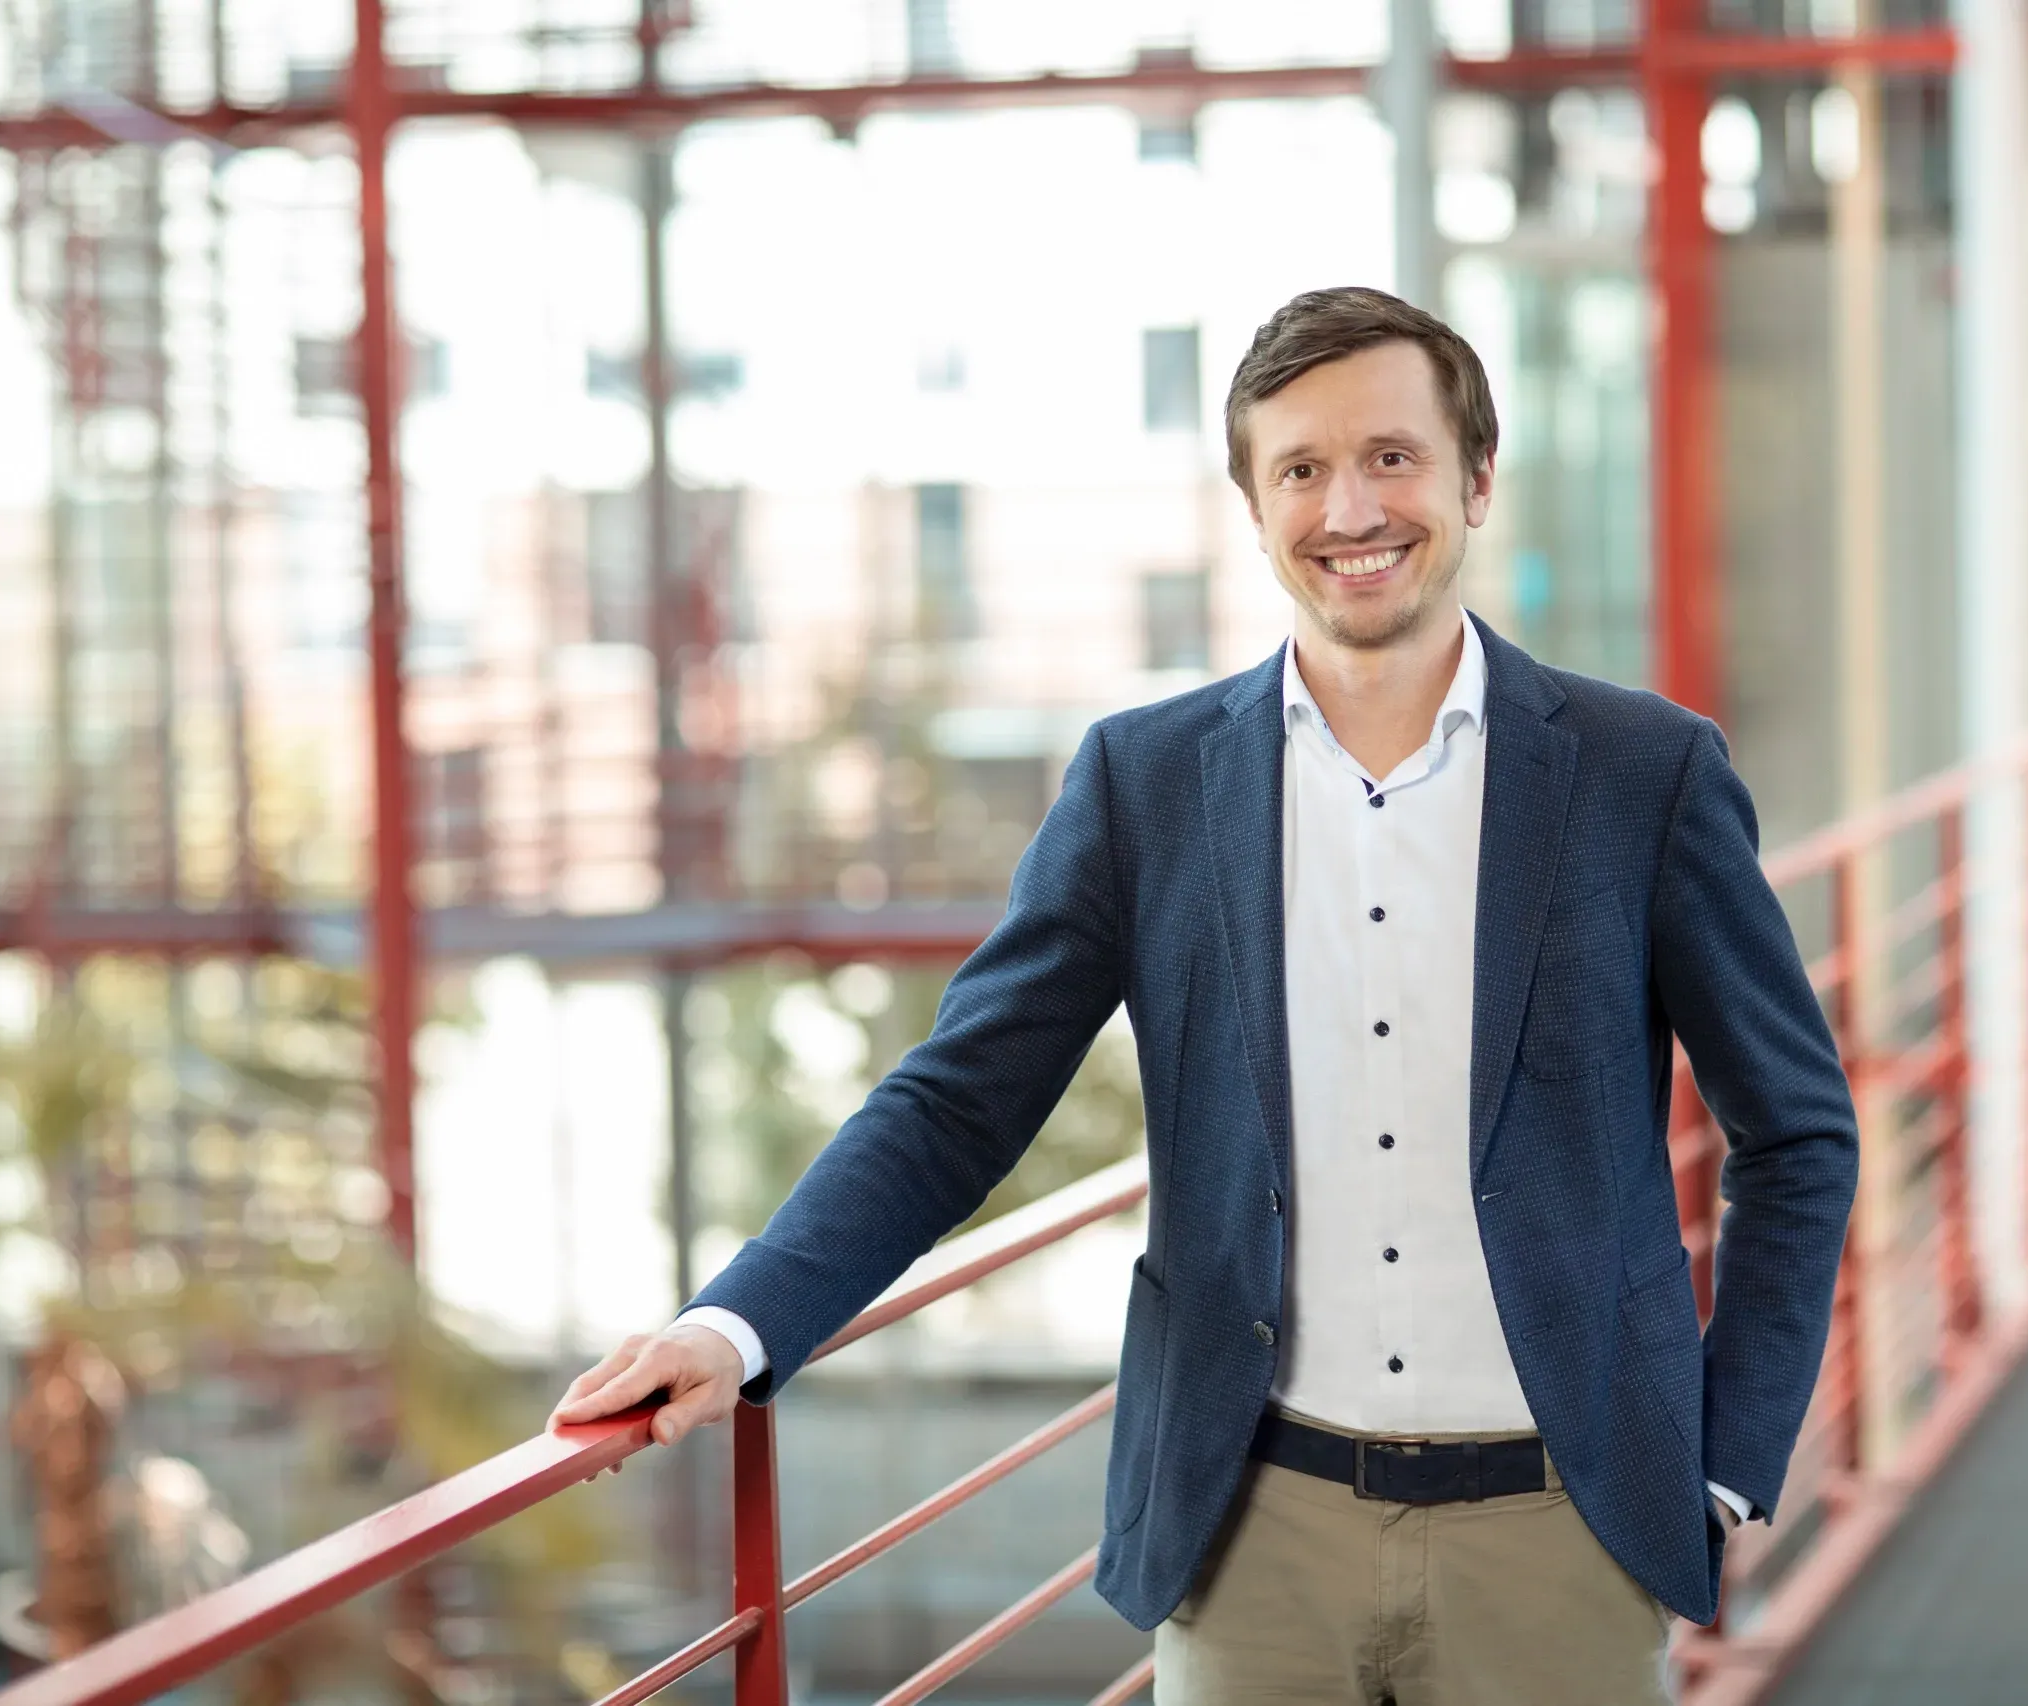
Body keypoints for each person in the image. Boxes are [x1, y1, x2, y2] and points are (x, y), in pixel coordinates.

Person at [552, 286, 1858, 1704]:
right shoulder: (1146, 783)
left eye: (1392, 457)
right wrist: (735, 1327)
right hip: (1253, 1533)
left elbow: (1795, 1131)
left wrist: (1722, 1467)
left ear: (1477, 477)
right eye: (1300, 469)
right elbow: (958, 1103)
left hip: (1562, 1526)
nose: (1350, 506)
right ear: (1254, 509)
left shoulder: (1639, 773)